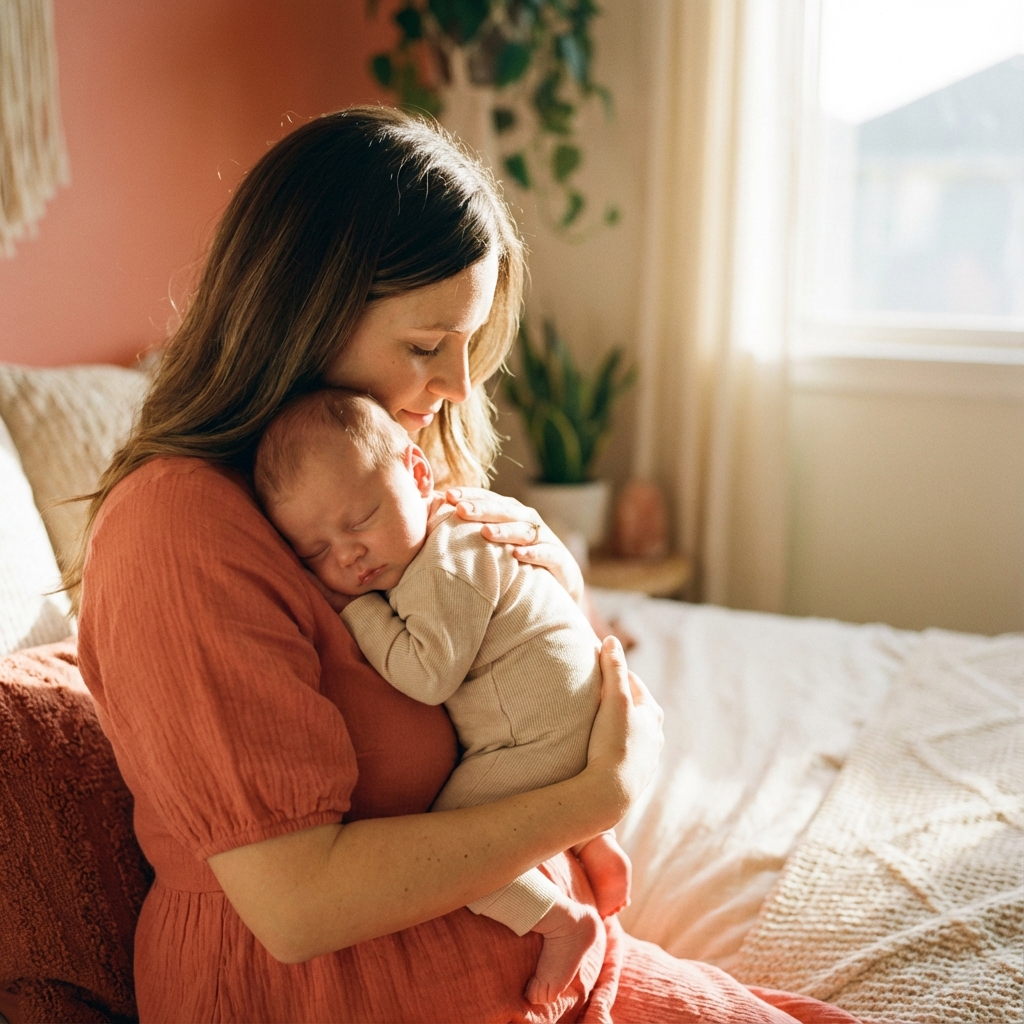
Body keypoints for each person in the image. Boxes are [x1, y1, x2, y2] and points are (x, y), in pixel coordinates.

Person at [69, 107, 861, 1023]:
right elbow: (294, 906)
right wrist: (594, 797)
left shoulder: (380, 489)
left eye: (468, 346)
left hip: (514, 958)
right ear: (301, 311)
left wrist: (553, 575)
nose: (455, 387)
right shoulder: (178, 527)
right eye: (423, 347)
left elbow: (519, 689)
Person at [253, 386, 632, 1005]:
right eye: (315, 551)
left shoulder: (447, 559)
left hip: (540, 732)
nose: (347, 553)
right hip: (556, 717)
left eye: (360, 520)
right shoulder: (443, 538)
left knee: (454, 846)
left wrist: (357, 611)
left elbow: (428, 674)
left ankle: (562, 922)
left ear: (418, 473)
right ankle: (593, 846)